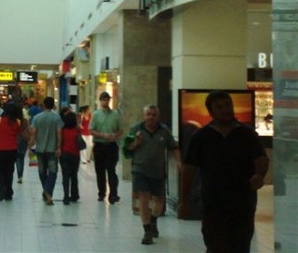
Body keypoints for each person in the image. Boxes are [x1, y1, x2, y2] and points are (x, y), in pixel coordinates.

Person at [179, 91, 269, 253]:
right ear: (211, 112)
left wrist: (259, 175)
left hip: (243, 202)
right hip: (213, 203)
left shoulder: (246, 134)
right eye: (219, 107)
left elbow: (261, 159)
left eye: (228, 105)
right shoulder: (202, 136)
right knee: (216, 245)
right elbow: (189, 169)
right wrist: (184, 200)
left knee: (241, 246)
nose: (225, 109)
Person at [124, 105, 181, 245]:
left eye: (154, 114)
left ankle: (154, 219)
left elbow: (174, 147)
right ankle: (147, 231)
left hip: (158, 171)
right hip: (140, 169)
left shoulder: (164, 131)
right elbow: (127, 149)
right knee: (144, 199)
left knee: (159, 203)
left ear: (158, 116)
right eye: (148, 114)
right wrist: (136, 143)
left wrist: (179, 162)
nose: (151, 117)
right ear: (144, 116)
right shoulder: (136, 129)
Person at [0, 103, 27, 201]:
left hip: (0, 150)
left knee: (0, 170)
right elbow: (22, 135)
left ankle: (1, 187)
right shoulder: (17, 122)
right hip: (12, 150)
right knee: (10, 171)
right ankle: (8, 192)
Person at [28, 96, 63, 205]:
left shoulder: (37, 118)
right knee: (53, 172)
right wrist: (59, 147)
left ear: (43, 105)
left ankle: (46, 192)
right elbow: (59, 133)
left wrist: (30, 147)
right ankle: (48, 192)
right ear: (53, 105)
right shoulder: (57, 118)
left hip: (40, 149)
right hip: (52, 150)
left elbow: (33, 134)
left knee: (42, 172)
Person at [89, 91, 123, 204]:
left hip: (112, 146)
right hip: (99, 146)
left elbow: (120, 129)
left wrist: (115, 136)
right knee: (100, 171)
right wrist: (102, 135)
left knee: (111, 170)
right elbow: (91, 130)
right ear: (100, 101)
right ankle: (101, 192)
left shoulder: (115, 115)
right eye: (104, 99)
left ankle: (113, 194)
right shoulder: (96, 114)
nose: (106, 101)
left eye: (107, 99)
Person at [59, 111, 81, 205]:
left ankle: (66, 196)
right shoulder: (77, 130)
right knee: (74, 176)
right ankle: (74, 195)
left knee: (65, 176)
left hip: (64, 154)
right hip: (75, 155)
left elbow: (60, 141)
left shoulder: (62, 130)